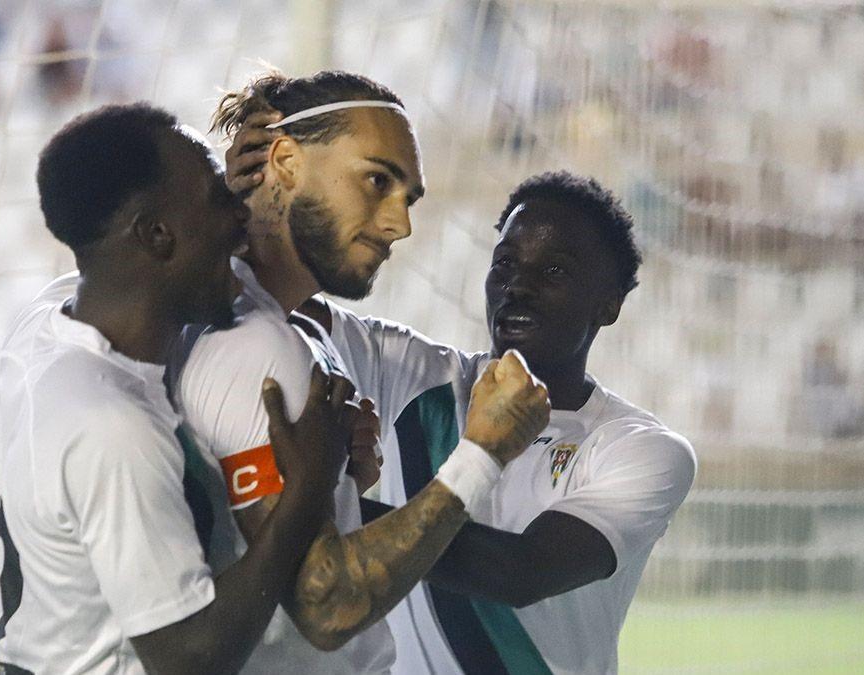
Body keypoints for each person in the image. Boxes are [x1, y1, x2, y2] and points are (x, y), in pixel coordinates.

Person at [172, 70, 551, 674]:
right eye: (377, 180)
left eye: (408, 198)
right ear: (286, 161)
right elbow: (325, 606)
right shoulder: (254, 343)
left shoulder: (251, 318)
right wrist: (482, 453)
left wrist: (341, 488)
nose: (399, 224)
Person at [0, 102, 350, 675]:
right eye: (218, 200)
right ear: (157, 235)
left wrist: (208, 197)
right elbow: (188, 658)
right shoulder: (112, 425)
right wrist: (308, 490)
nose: (242, 217)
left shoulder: (45, 324)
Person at [295, 171, 698, 674]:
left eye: (554, 271)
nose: (518, 287)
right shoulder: (410, 373)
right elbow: (273, 299)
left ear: (608, 304)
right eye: (505, 264)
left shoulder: (639, 448)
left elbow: (519, 573)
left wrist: (306, 507)